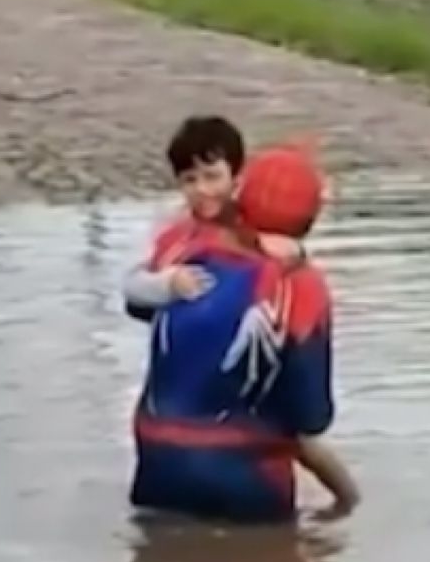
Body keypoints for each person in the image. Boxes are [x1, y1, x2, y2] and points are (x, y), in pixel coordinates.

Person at [124, 117, 360, 519]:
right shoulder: (300, 283)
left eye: (211, 176)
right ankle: (350, 508)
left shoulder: (179, 244)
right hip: (244, 480)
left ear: (240, 182)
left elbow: (137, 303)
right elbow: (312, 416)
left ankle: (348, 501)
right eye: (190, 179)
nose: (201, 190)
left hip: (155, 461)